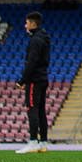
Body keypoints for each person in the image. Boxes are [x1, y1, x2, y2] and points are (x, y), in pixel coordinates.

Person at [16, 11, 52, 153]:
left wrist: (22, 80)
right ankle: (43, 142)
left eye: (27, 23)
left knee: (32, 108)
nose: (25, 25)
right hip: (43, 78)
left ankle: (33, 141)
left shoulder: (35, 40)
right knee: (41, 110)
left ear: (32, 23)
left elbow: (32, 61)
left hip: (34, 80)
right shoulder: (44, 38)